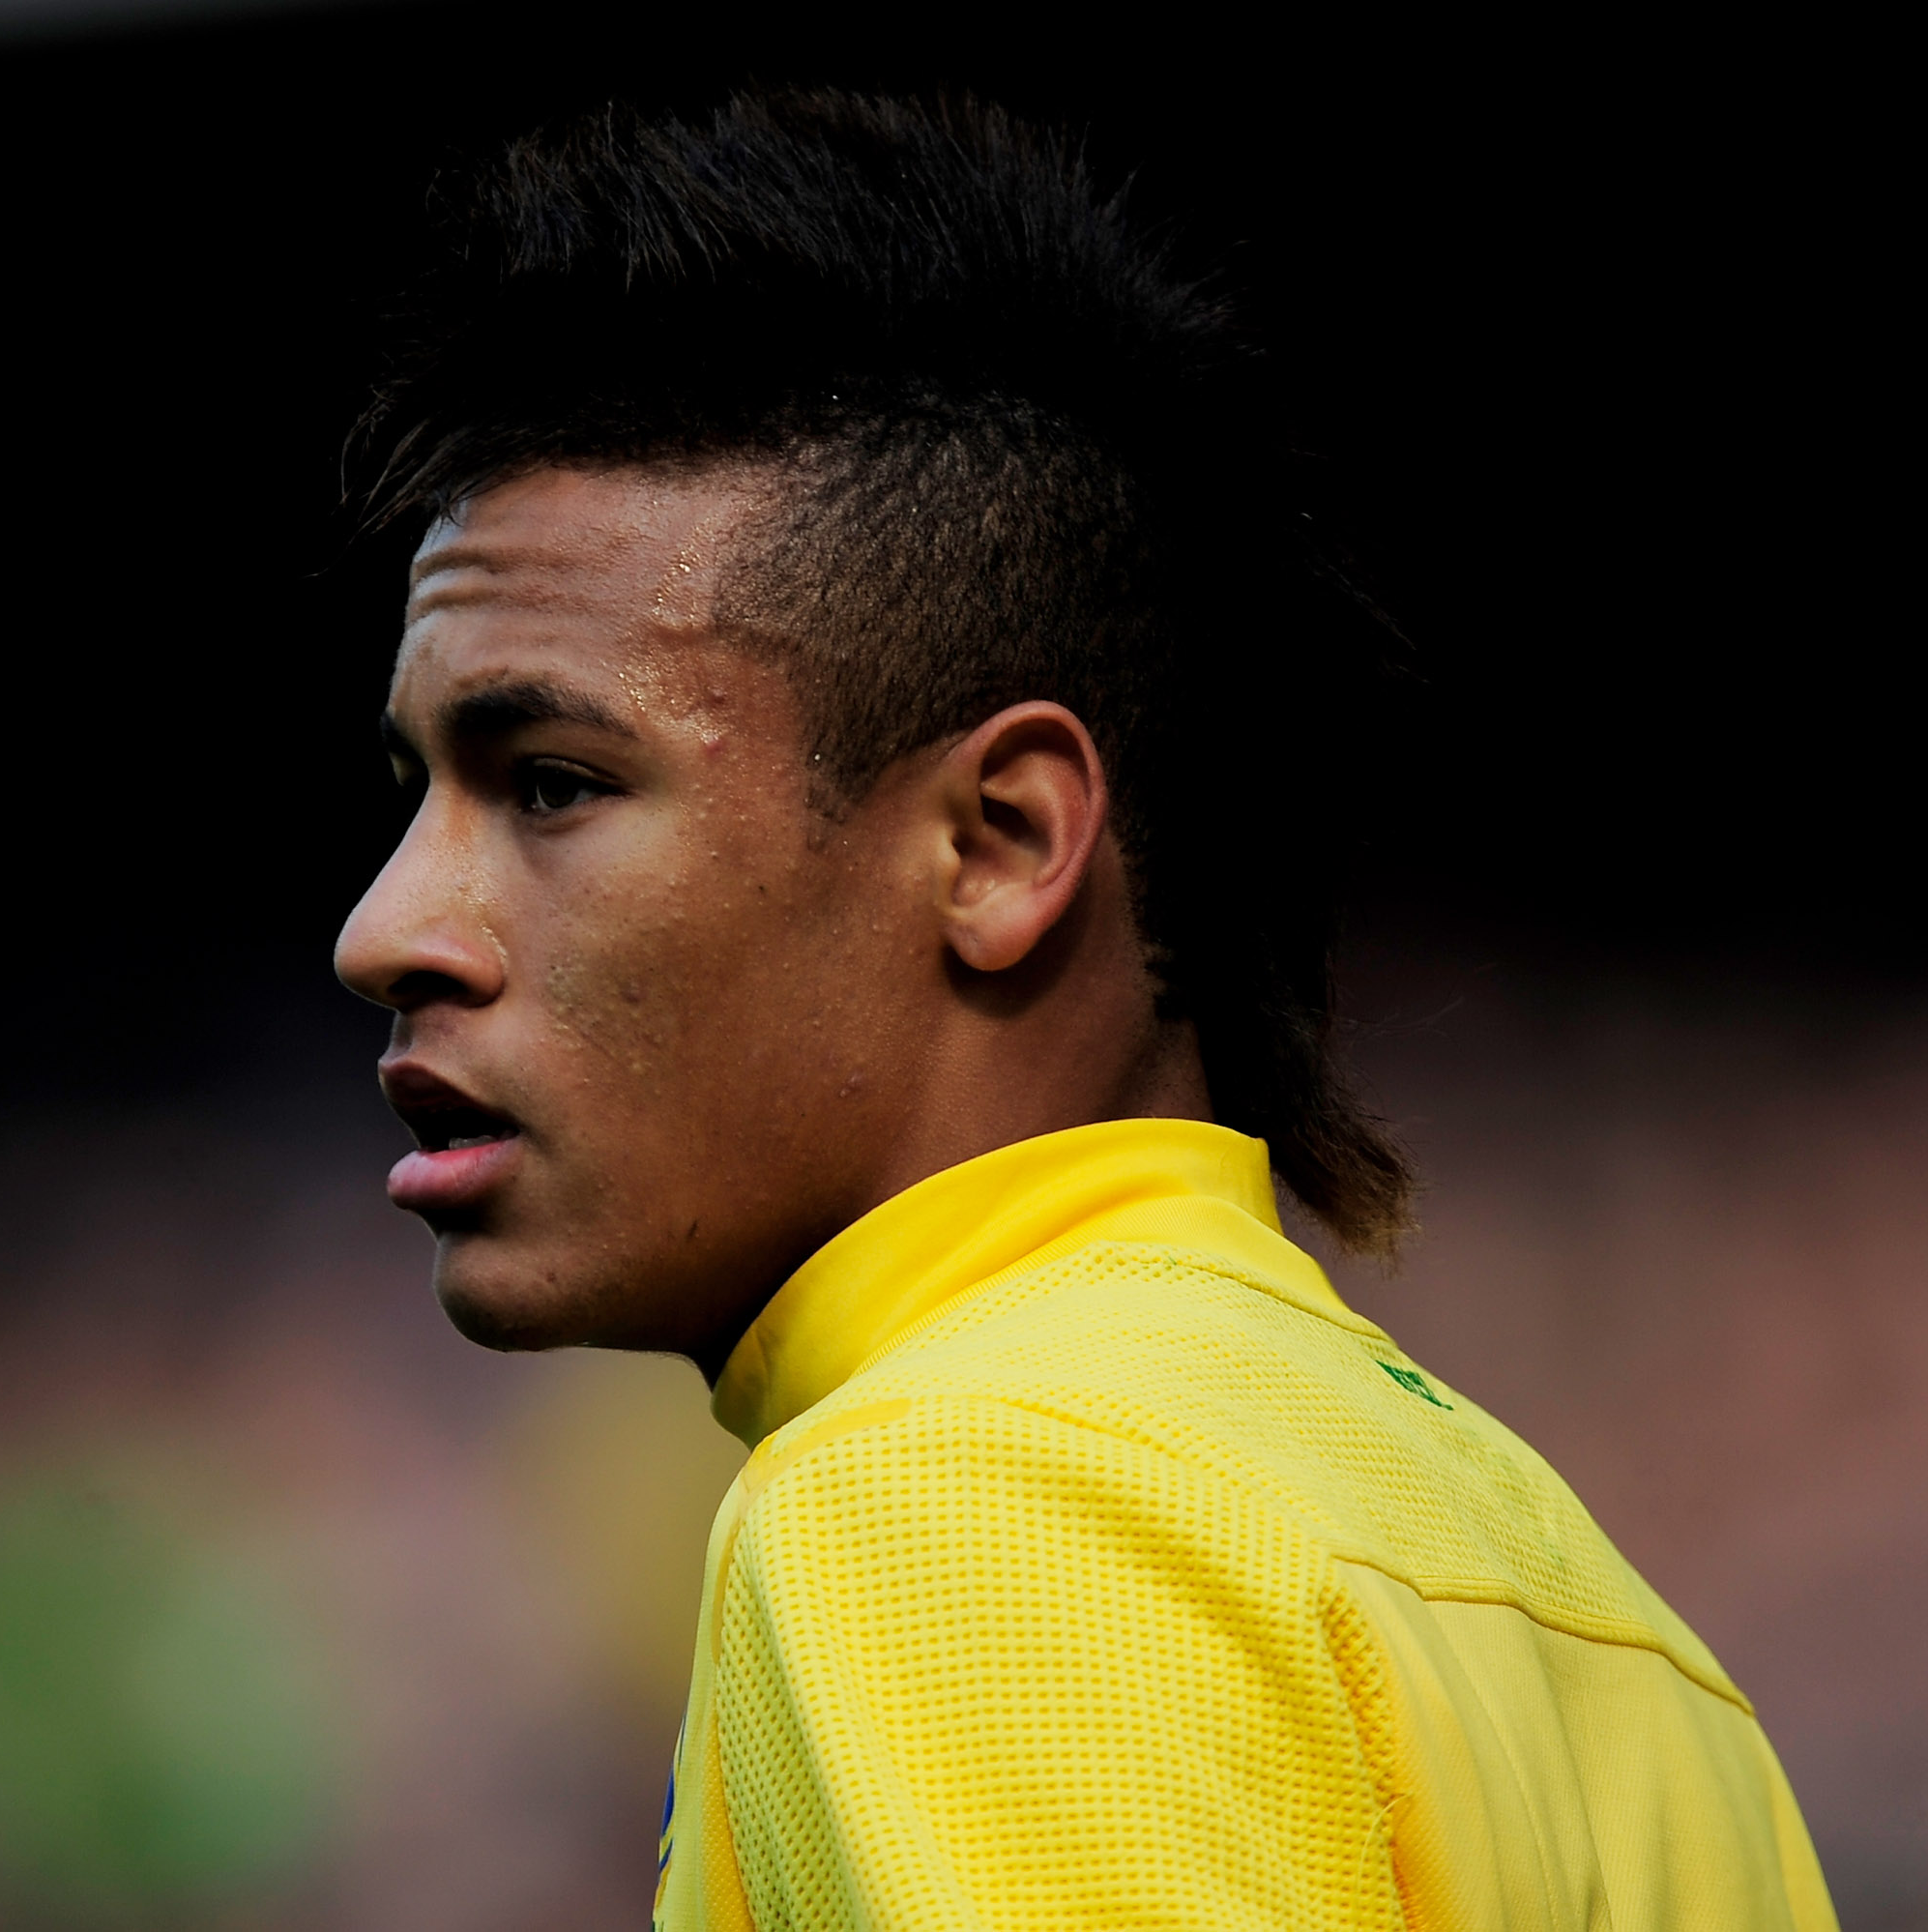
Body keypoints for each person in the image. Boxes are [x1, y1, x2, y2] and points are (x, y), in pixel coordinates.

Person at [331, 90, 1836, 1930]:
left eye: (552, 782)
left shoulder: (962, 1491)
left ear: (1000, 840)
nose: (387, 926)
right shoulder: (1566, 1587)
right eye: (420, 793)